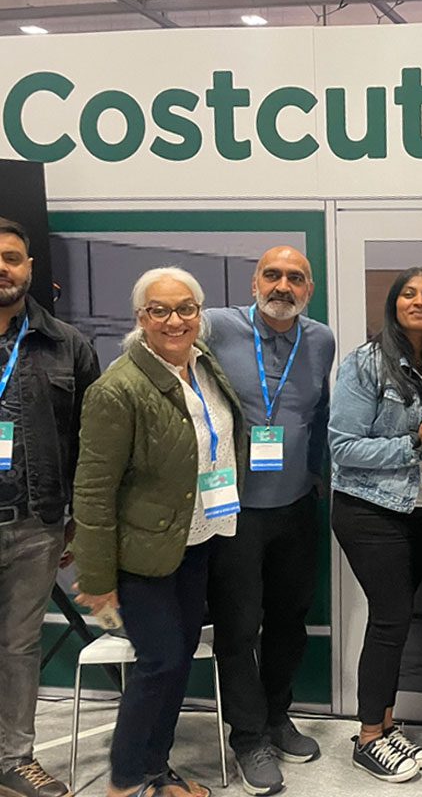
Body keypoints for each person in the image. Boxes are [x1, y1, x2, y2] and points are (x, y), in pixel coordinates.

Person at [73, 266, 247, 797]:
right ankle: (126, 780)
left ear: (201, 314)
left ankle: (155, 770)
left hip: (196, 540)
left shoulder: (204, 365)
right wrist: (97, 579)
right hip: (143, 553)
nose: (174, 320)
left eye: (186, 309)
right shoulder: (118, 388)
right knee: (160, 663)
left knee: (175, 663)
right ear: (141, 318)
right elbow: (94, 491)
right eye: (160, 310)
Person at [203, 245, 336, 795]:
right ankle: (248, 735)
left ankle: (278, 715)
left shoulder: (322, 339)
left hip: (296, 506)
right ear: (254, 281)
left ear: (309, 290)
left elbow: (320, 414)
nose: (284, 286)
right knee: (237, 627)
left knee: (289, 617)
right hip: (232, 511)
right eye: (273, 275)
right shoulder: (214, 325)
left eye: (296, 278)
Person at [329, 268, 422, 783]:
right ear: (394, 303)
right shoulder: (365, 363)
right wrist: (414, 443)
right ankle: (366, 738)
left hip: (421, 509)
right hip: (368, 509)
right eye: (409, 293)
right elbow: (342, 446)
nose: (419, 301)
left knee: (397, 621)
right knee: (389, 619)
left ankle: (385, 721)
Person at [0, 217, 99, 797]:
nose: (3, 268)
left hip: (35, 526)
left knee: (19, 647)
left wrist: (79, 521)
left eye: (12, 258)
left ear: (30, 268)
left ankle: (14, 757)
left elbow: (91, 443)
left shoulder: (68, 343)